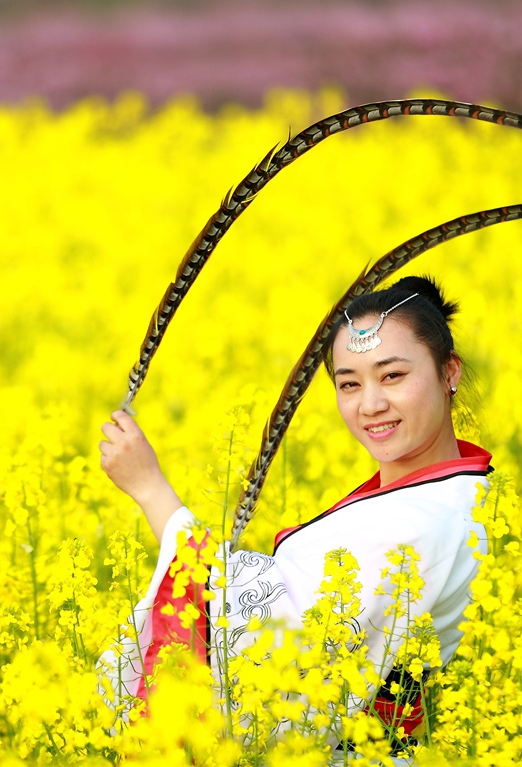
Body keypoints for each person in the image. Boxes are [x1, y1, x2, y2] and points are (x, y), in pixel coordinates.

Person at [98, 275, 492, 740]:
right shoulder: (444, 494)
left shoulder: (423, 522)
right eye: (349, 384)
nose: (370, 404)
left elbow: (277, 642)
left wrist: (150, 489)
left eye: (393, 376)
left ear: (449, 372)